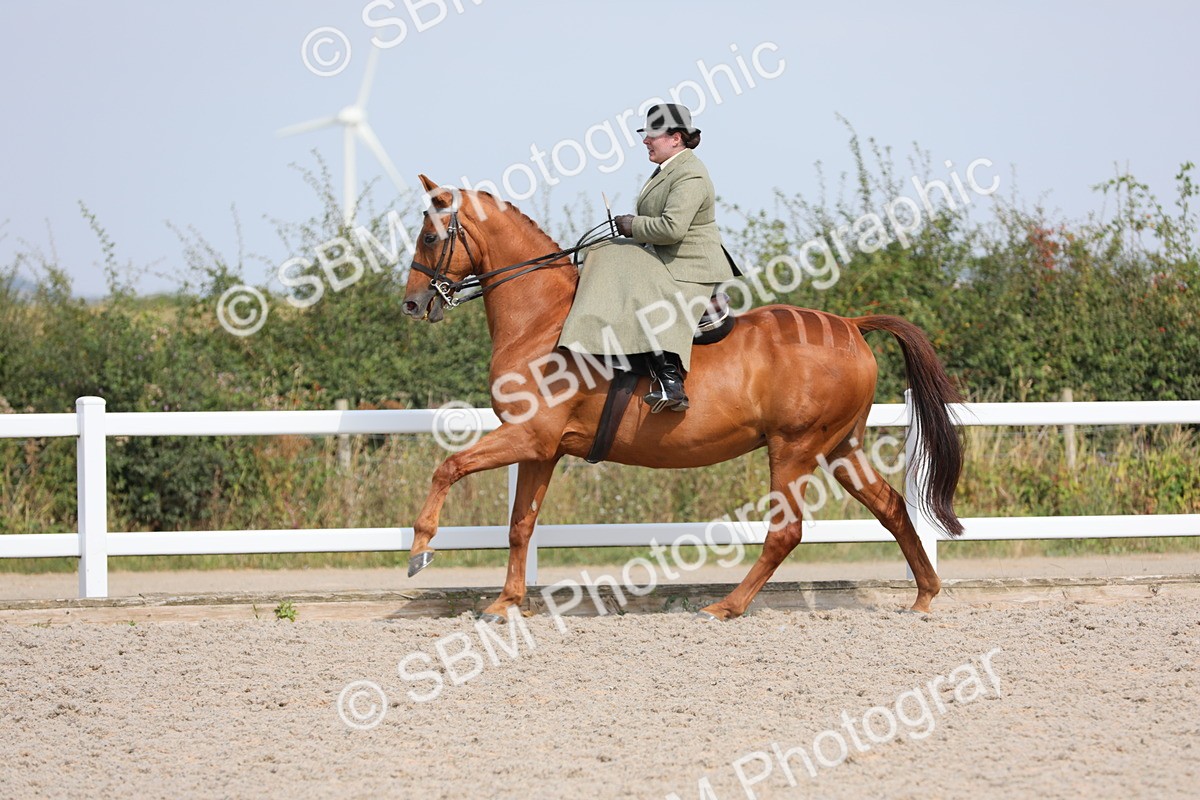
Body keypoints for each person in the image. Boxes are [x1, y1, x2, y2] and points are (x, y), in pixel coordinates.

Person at [558, 103, 739, 412]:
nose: (645, 140)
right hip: (669, 259)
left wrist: (633, 226)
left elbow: (672, 229)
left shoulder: (691, 174)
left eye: (652, 134)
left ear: (676, 138)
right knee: (604, 249)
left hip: (689, 268)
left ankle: (670, 379)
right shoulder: (669, 170)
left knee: (612, 257)